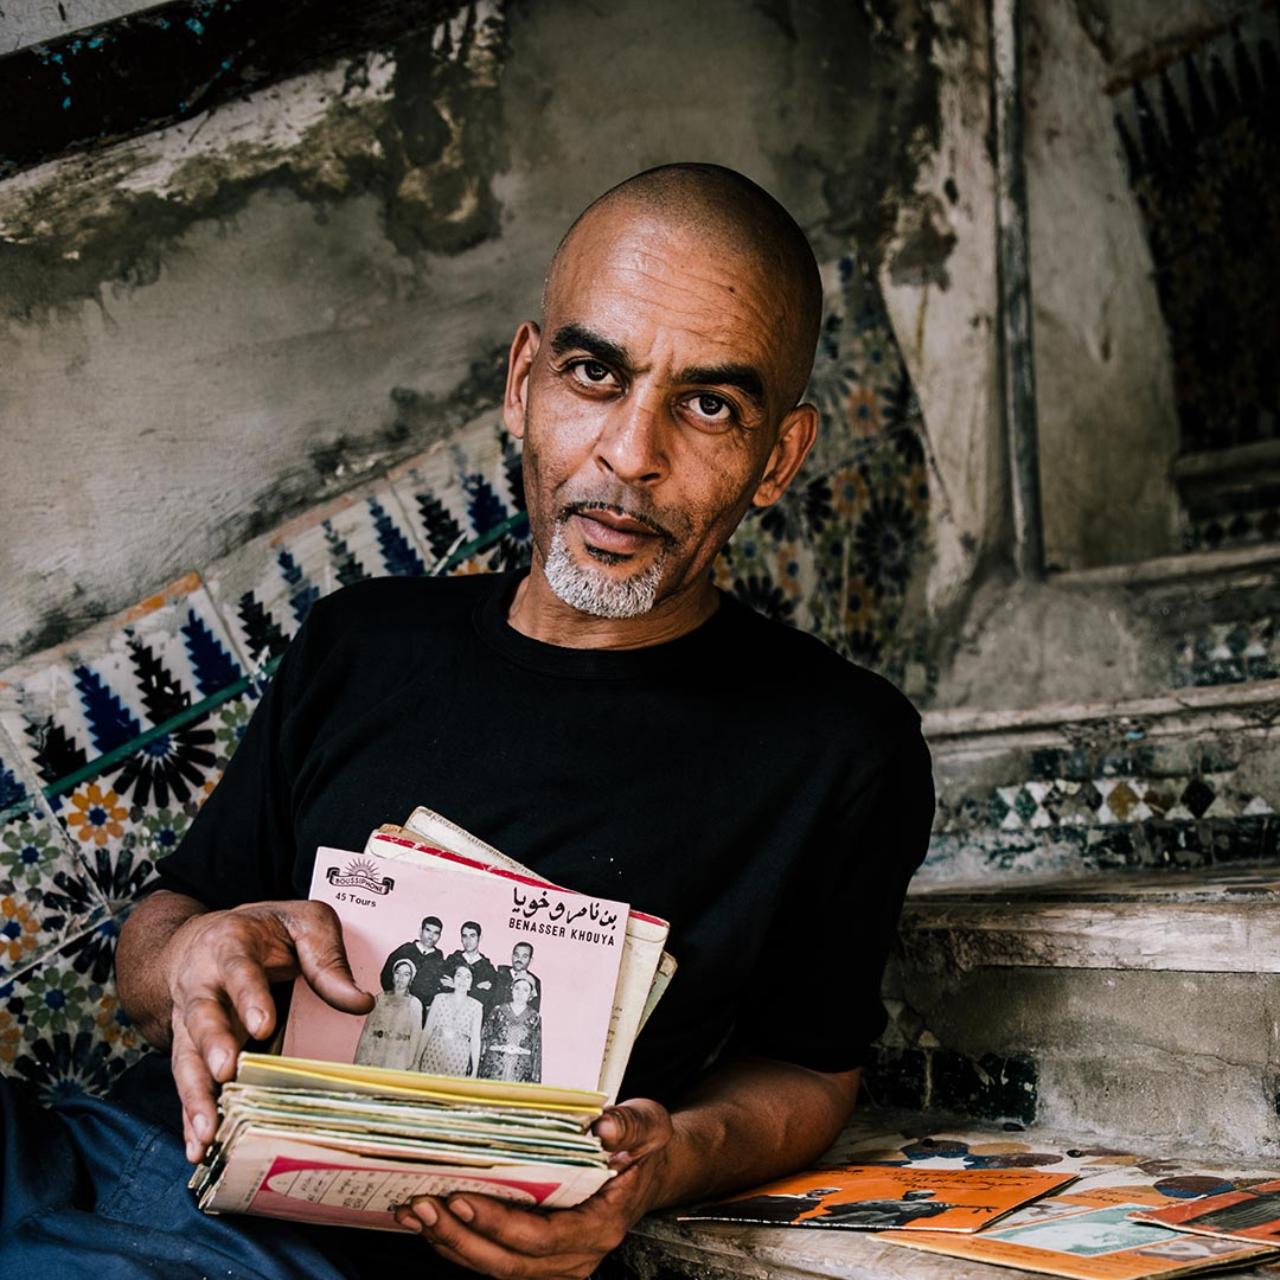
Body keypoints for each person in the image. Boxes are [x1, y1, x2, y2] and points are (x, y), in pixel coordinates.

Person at [0, 163, 935, 1279]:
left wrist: (665, 1162)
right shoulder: (360, 641)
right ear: (523, 382)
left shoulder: (838, 748)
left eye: (707, 405)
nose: (630, 454)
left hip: (335, 1256)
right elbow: (160, 928)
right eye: (594, 373)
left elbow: (811, 1069)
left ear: (776, 456)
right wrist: (192, 954)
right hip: (95, 1151)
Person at [354, 958, 425, 1070]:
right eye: (398, 973)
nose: (401, 978)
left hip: (399, 1056)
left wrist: (412, 1064)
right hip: (376, 1053)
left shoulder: (415, 1003)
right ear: (393, 975)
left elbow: (416, 1036)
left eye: (406, 974)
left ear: (411, 979)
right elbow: (368, 1030)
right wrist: (362, 1058)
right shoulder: (380, 998)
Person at [417, 963, 484, 1078]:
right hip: (434, 1051)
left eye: (468, 977)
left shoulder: (477, 1006)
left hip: (458, 1056)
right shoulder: (439, 998)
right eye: (459, 975)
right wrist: (417, 1059)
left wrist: (474, 1070)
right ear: (453, 979)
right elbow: (427, 1030)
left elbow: (475, 1041)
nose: (462, 980)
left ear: (472, 982)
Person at [379, 915, 447, 1025]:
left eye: (436, 933)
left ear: (439, 936)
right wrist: (395, 998)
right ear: (421, 931)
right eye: (428, 930)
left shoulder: (439, 958)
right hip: (396, 1007)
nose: (431, 936)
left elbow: (438, 986)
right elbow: (386, 975)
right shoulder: (405, 950)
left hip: (419, 1014)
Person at [478, 975, 543, 1083]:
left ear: (530, 994)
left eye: (525, 990)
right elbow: (484, 1040)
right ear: (511, 990)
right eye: (517, 988)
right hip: (495, 1068)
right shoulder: (498, 1011)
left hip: (520, 1073)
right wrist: (501, 1048)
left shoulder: (534, 1017)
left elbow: (536, 1050)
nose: (520, 993)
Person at [438, 921, 498, 1014]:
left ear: (480, 938)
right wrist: (475, 988)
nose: (468, 940)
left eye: (472, 936)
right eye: (464, 936)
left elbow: (484, 998)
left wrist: (455, 986)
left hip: (471, 1015)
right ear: (461, 938)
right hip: (448, 1011)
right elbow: (443, 987)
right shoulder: (452, 960)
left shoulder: (487, 968)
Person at [493, 942, 542, 1010]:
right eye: (516, 955)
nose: (519, 959)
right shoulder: (499, 975)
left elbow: (534, 1009)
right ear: (512, 956)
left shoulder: (534, 981)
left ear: (530, 960)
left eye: (524, 956)